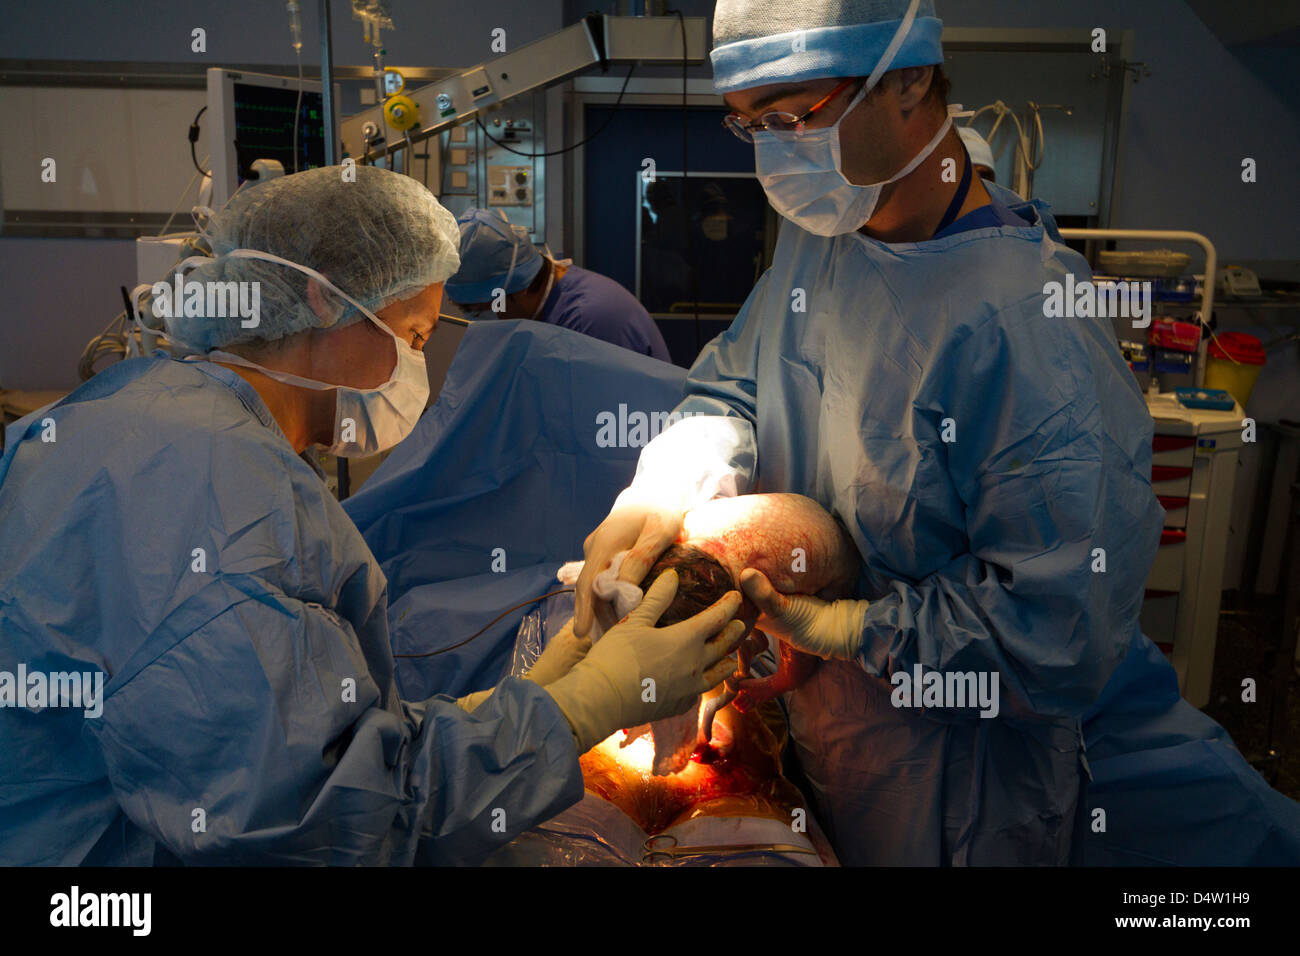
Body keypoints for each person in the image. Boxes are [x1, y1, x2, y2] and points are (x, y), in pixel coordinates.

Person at [573, 0, 1300, 865]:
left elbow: (1057, 630)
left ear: (910, 78)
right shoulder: (821, 242)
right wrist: (665, 483)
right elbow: (736, 380)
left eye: (792, 118)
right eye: (747, 127)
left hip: (980, 776)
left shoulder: (1029, 327)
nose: (774, 152)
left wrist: (851, 630)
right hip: (843, 743)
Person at [0, 165, 745, 865]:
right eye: (414, 338)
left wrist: (536, 693)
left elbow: (325, 745)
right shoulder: (221, 513)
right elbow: (329, 824)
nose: (417, 369)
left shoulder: (137, 414)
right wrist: (581, 708)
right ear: (324, 303)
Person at [444, 208, 671, 361]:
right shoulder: (548, 307)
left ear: (517, 290)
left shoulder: (590, 320)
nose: (474, 320)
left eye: (477, 311)